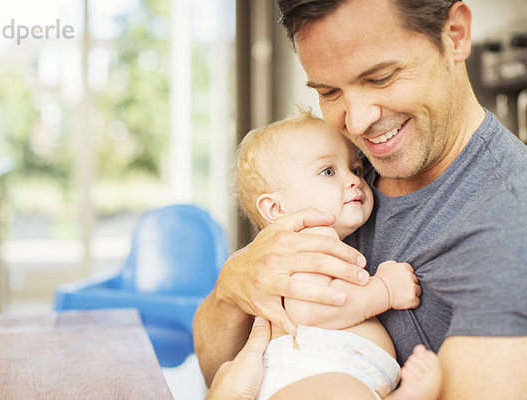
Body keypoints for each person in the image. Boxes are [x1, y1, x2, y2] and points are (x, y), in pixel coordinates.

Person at [193, 1, 527, 399]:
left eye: (381, 78)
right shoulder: (342, 168)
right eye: (329, 91)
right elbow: (215, 366)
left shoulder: (510, 221)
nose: (357, 121)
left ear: (454, 33)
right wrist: (233, 284)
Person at [235, 112, 441, 399]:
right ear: (276, 209)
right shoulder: (306, 241)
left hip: (341, 378)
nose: (354, 180)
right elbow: (309, 310)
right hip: (310, 375)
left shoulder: (331, 242)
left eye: (355, 169)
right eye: (328, 172)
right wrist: (384, 290)